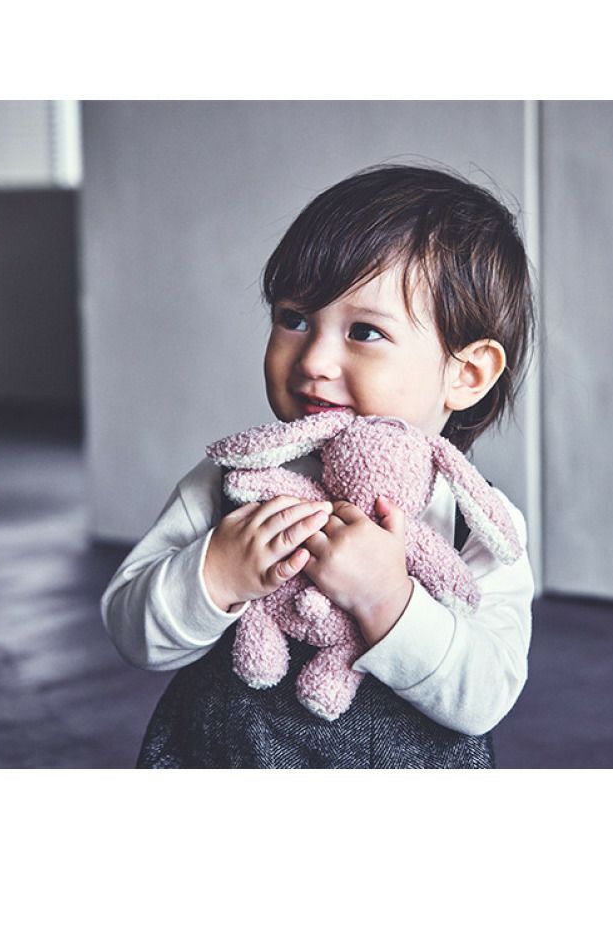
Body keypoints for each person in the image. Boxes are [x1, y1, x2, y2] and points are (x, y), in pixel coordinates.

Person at [101, 163, 537, 768]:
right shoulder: (236, 481)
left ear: (466, 374)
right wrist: (216, 573)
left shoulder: (480, 524)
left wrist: (388, 600)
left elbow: (485, 695)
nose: (313, 360)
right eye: (295, 319)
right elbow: (130, 629)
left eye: (365, 332)